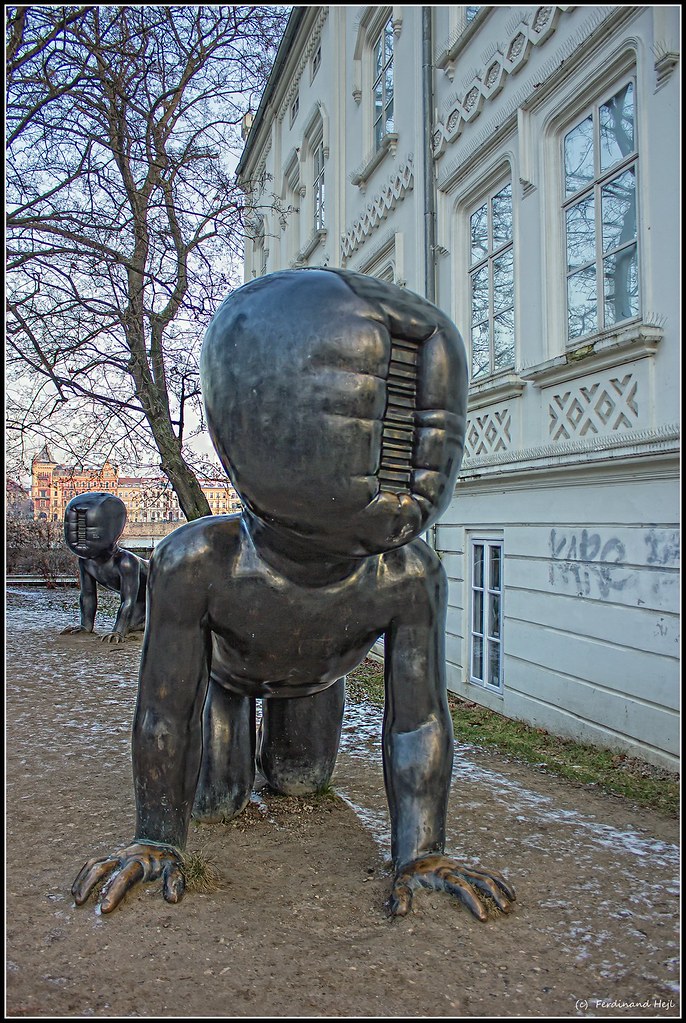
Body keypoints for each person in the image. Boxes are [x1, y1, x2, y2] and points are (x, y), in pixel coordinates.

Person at [72, 268, 515, 919]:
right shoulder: (199, 560)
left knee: (301, 779)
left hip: (315, 678)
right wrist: (157, 837)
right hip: (230, 671)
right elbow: (166, 709)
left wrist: (422, 851)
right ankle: (206, 786)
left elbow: (417, 717)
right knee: (216, 797)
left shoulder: (406, 571)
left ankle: (281, 745)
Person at [62, 492, 148, 643]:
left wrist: (118, 631)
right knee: (135, 624)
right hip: (141, 601)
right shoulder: (86, 561)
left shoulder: (126, 562)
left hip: (160, 593)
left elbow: (128, 600)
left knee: (137, 624)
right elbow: (88, 595)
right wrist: (85, 626)